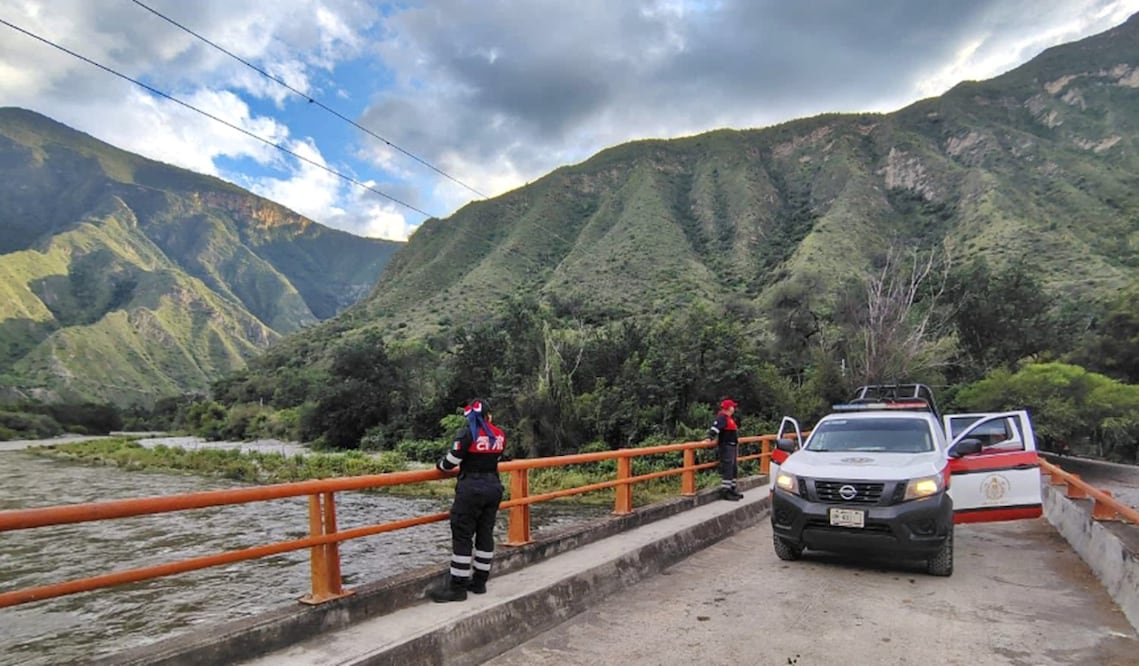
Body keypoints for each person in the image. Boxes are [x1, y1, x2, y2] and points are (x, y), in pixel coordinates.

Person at [429, 399, 507, 602]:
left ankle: (457, 588)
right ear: (488, 416)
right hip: (493, 488)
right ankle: (479, 583)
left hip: (471, 490)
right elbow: (497, 458)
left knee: (463, 536)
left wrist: (440, 464)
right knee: (485, 534)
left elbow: (449, 463)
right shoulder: (499, 434)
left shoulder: (468, 433)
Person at [707, 398, 744, 501]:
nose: (734, 408)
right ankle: (726, 491)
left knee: (733, 468)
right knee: (728, 467)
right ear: (728, 408)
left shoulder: (729, 418)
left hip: (732, 445)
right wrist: (709, 437)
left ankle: (732, 488)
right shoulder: (722, 417)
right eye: (733, 407)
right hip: (726, 446)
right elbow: (715, 428)